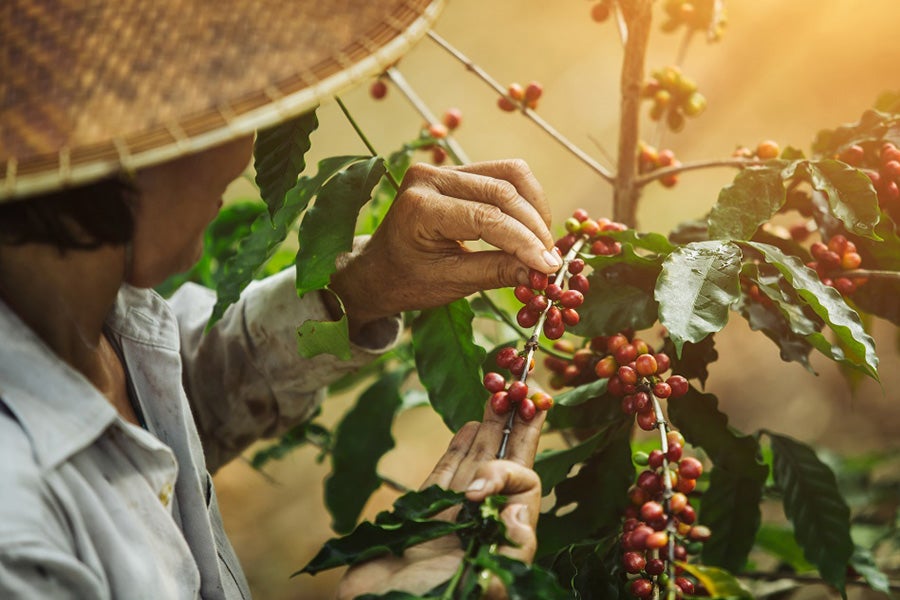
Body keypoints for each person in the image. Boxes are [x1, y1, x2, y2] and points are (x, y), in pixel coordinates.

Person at [0, 1, 561, 598]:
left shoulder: (94, 315)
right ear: (121, 144)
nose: (246, 148)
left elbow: (176, 404)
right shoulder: (17, 537)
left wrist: (364, 284)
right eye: (219, 108)